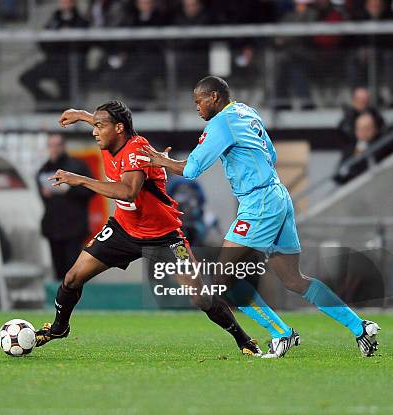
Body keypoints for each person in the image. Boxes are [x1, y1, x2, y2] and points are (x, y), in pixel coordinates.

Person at [140, 76, 380, 357]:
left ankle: (281, 333)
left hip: (259, 202)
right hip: (278, 194)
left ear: (214, 97)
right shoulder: (246, 111)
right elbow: (272, 154)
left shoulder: (220, 123)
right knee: (293, 279)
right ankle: (360, 327)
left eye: (198, 100)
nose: (196, 107)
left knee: (220, 278)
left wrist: (159, 160)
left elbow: (191, 170)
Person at [34, 100, 262, 357]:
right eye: (94, 126)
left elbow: (128, 192)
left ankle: (244, 339)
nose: (94, 132)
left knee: (200, 298)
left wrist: (81, 180)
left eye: (99, 126)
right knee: (72, 277)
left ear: (119, 128)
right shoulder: (111, 137)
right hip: (123, 229)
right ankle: (59, 327)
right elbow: (101, 122)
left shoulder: (136, 149)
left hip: (164, 237)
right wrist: (82, 115)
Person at [37, 134, 94, 281]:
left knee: (74, 270)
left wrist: (69, 189)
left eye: (57, 145)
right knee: (58, 270)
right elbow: (43, 198)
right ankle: (61, 302)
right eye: (51, 145)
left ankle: (76, 301)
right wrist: (46, 193)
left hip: (73, 227)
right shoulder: (43, 170)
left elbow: (91, 190)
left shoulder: (77, 166)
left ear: (63, 146)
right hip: (53, 227)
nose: (54, 149)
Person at [19, 0, 89, 109]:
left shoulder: (81, 21)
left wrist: (65, 39)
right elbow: (43, 42)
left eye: (67, 1)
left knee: (66, 94)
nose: (63, 3)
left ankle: (58, 109)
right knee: (26, 77)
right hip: (52, 61)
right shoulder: (55, 19)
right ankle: (47, 102)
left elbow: (82, 45)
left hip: (70, 65)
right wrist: (58, 39)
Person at [334, 111, 391, 184]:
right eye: (359, 128)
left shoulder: (382, 145)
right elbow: (339, 173)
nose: (362, 132)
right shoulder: (350, 149)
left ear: (375, 129)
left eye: (367, 128)